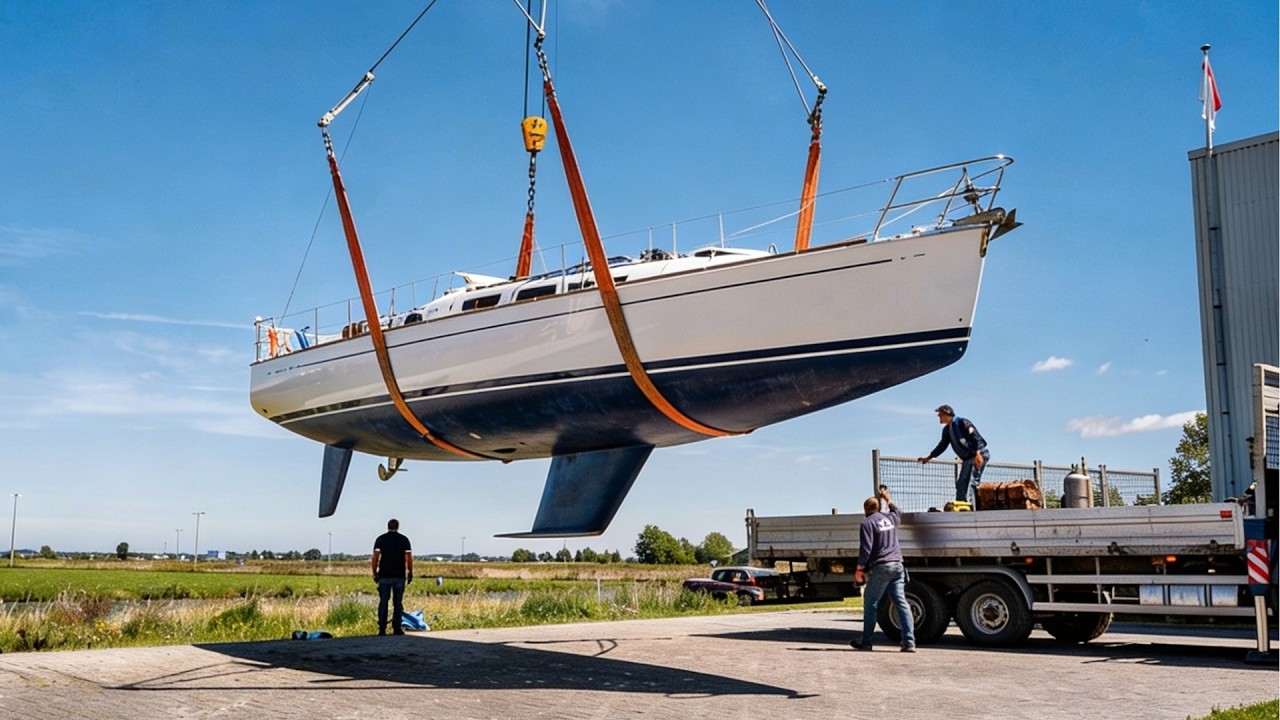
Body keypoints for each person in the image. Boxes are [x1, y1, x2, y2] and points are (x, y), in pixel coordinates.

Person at [851, 485, 915, 652]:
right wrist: (887, 498)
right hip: (898, 565)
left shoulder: (867, 523)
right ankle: (909, 642)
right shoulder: (890, 519)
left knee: (871, 602)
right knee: (901, 603)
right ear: (878, 507)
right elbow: (897, 512)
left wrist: (859, 569)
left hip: (882, 566)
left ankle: (866, 641)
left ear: (865, 509)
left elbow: (866, 548)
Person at [918, 404, 989, 505]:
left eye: (940, 415)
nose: (939, 417)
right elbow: (942, 445)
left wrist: (978, 454)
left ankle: (970, 509)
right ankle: (961, 505)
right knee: (961, 484)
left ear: (947, 414)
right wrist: (929, 457)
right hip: (968, 458)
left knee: (970, 483)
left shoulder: (963, 423)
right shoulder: (947, 430)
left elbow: (975, 437)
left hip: (978, 454)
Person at [371, 518, 414, 636]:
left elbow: (375, 557)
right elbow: (409, 557)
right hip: (399, 575)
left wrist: (374, 573)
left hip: (384, 575)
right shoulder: (404, 540)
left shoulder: (381, 539)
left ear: (387, 526)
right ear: (398, 527)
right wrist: (410, 572)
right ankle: (397, 628)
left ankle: (382, 628)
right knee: (398, 602)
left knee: (383, 601)